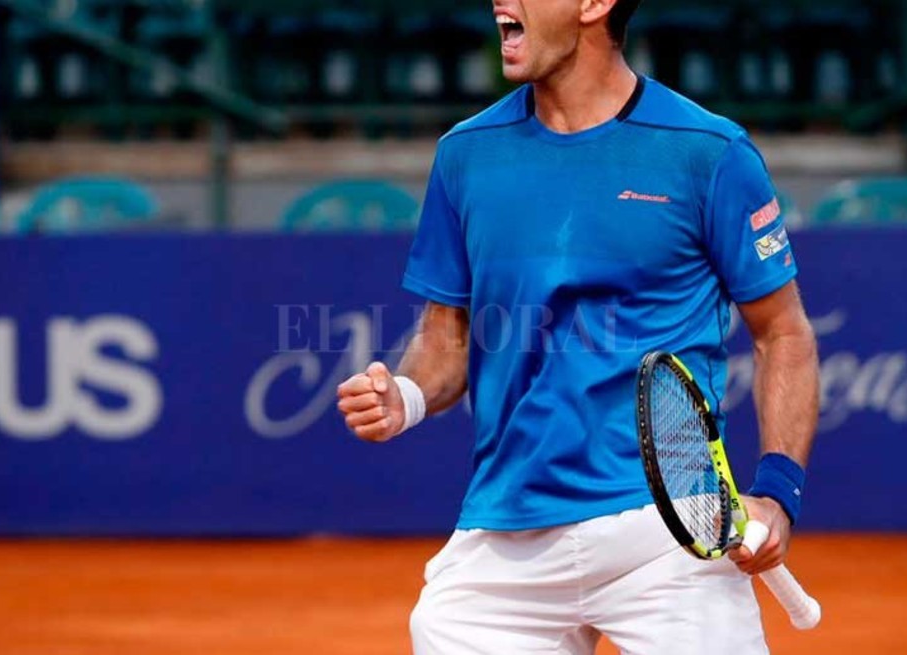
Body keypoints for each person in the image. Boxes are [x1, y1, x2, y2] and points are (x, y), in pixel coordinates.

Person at [337, 1, 819, 652]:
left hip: (668, 532)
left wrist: (778, 493)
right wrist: (406, 395)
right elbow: (448, 333)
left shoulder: (709, 152)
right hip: (508, 530)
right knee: (441, 622)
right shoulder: (465, 155)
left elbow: (782, 332)